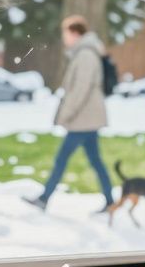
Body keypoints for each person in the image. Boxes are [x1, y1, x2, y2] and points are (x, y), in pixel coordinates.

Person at [23, 15, 115, 214]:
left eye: (65, 33)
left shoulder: (86, 54)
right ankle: (110, 200)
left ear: (74, 33)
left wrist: (68, 113)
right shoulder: (84, 52)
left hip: (83, 118)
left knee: (62, 159)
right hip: (87, 117)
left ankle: (44, 198)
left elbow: (81, 88)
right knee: (95, 161)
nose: (64, 38)